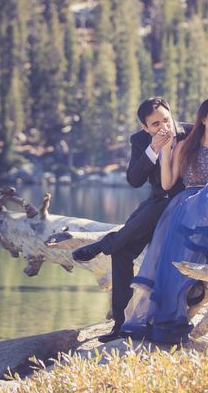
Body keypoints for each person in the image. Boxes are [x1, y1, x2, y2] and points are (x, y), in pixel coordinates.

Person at [120, 96, 208, 344]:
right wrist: (163, 152)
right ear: (203, 119)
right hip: (188, 205)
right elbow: (167, 184)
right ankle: (168, 318)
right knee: (171, 261)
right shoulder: (185, 147)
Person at [71, 97, 191, 342]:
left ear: (172, 114)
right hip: (156, 204)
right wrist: (153, 149)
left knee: (142, 221)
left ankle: (103, 244)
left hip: (184, 204)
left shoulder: (190, 132)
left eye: (166, 120)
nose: (164, 127)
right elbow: (134, 180)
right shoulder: (140, 141)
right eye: (155, 124)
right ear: (144, 128)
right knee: (123, 251)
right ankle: (120, 324)